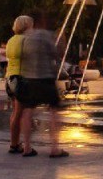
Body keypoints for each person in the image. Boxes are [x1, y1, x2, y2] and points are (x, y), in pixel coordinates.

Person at [17, 14, 68, 159]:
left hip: (29, 79)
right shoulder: (47, 36)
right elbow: (55, 55)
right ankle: (54, 148)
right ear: (43, 21)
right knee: (54, 111)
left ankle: (26, 147)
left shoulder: (26, 37)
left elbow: (21, 56)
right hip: (46, 78)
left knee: (27, 111)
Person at [5, 16, 30, 153]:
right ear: (26, 26)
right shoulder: (25, 40)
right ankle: (15, 145)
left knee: (15, 113)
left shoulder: (11, 40)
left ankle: (15, 143)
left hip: (10, 77)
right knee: (21, 113)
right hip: (20, 77)